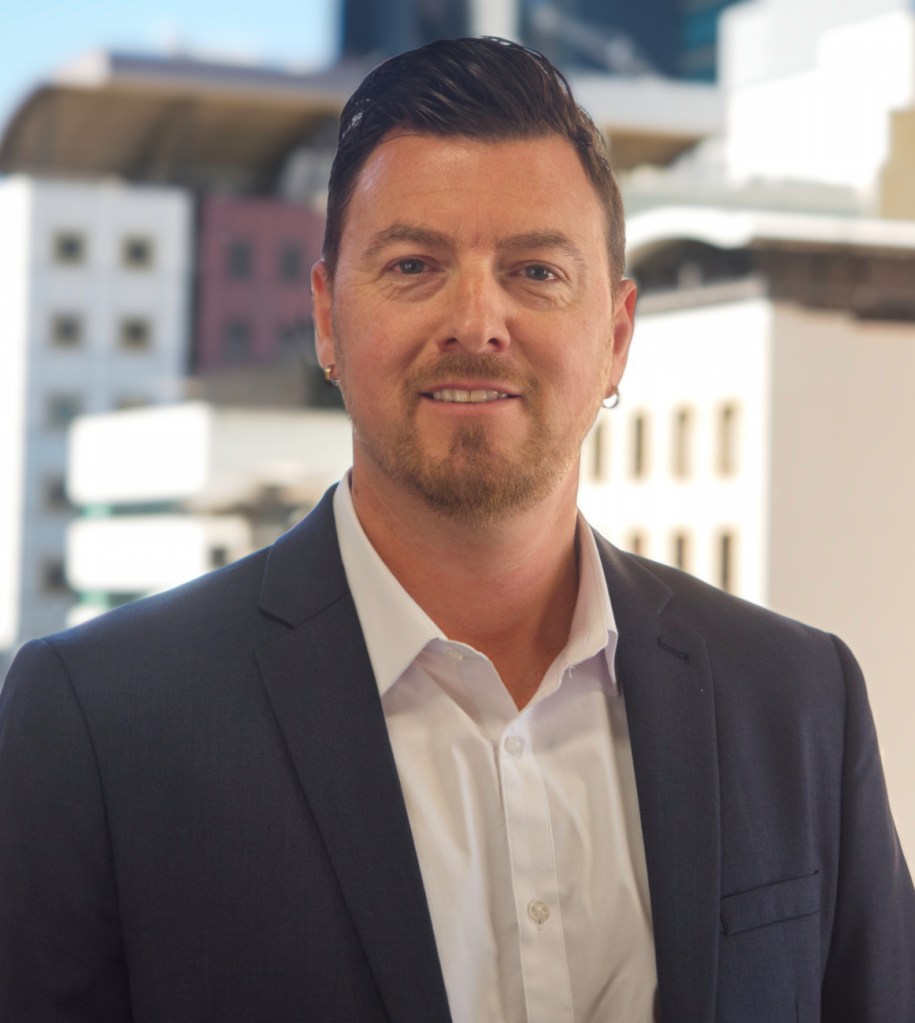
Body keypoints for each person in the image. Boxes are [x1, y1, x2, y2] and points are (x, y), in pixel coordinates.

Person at [1, 36, 913, 1023]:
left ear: (615, 337)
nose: (476, 322)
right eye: (413, 265)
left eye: (535, 271)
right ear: (327, 319)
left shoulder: (798, 703)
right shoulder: (99, 724)